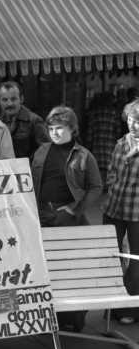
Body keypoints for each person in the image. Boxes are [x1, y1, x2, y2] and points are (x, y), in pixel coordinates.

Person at [32, 106, 102, 332]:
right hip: (42, 214)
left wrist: (75, 209)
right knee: (48, 270)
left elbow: (96, 187)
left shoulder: (83, 155)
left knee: (71, 269)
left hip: (68, 217)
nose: (55, 132)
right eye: (51, 128)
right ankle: (54, 317)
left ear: (72, 129)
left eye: (60, 128)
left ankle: (76, 316)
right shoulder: (42, 150)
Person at [103, 100, 139, 324]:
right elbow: (112, 172)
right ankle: (112, 302)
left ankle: (129, 307)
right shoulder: (120, 143)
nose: (134, 125)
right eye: (131, 120)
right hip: (113, 208)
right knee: (111, 254)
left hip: (137, 211)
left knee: (135, 257)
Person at [0, 81, 50, 159]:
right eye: (5, 100)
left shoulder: (34, 121)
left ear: (21, 99)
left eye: (13, 99)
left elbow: (47, 149)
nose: (9, 104)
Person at [85, 92, 122, 184]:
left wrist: (87, 148)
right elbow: (118, 133)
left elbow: (90, 133)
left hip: (97, 149)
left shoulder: (94, 113)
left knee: (97, 171)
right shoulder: (115, 114)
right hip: (110, 149)